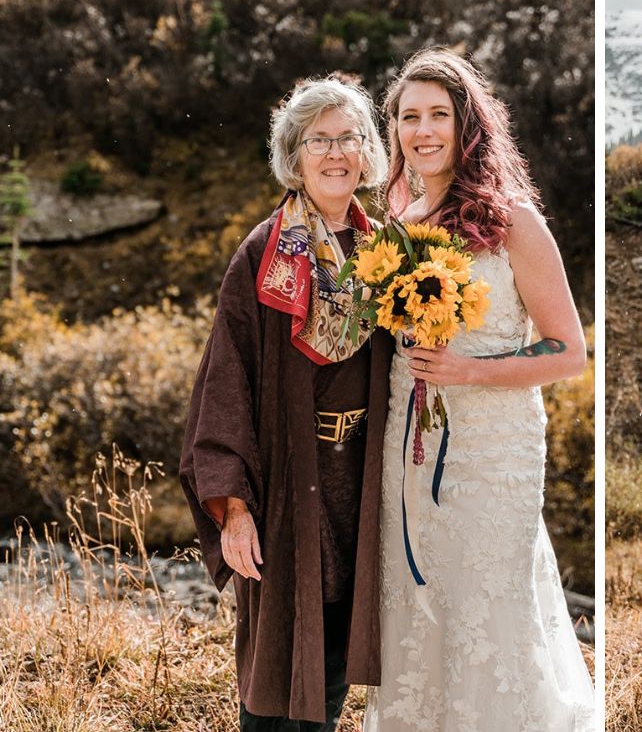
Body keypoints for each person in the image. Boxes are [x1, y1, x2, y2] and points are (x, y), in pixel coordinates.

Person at [363, 47, 594, 731]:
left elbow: (569, 352)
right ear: (395, 129)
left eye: (439, 114)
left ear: (468, 125)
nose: (423, 130)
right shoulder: (396, 225)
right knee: (415, 594)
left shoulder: (512, 220)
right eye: (409, 116)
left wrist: (471, 371)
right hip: (409, 437)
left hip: (495, 446)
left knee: (486, 602)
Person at [179, 76, 394, 730]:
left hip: (362, 481)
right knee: (275, 666)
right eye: (319, 139)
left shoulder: (386, 250)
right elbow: (225, 381)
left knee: (332, 656)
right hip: (286, 480)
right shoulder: (265, 252)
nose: (336, 153)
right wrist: (233, 506)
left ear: (367, 151)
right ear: (294, 154)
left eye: (349, 138)